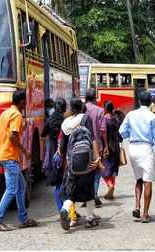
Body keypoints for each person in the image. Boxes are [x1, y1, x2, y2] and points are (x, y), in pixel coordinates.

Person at [0, 89, 39, 231]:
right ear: (22, 102)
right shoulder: (16, 115)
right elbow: (12, 136)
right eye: (26, 102)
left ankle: (24, 219)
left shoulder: (5, 113)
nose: (26, 105)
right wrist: (25, 151)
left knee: (21, 187)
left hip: (4, 155)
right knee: (12, 189)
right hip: (10, 157)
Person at [119, 90, 155, 223]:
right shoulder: (153, 117)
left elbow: (122, 131)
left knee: (138, 179)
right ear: (151, 103)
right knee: (147, 181)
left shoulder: (131, 114)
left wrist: (130, 136)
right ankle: (145, 214)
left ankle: (137, 206)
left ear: (139, 101)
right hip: (145, 148)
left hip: (133, 148)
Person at [58, 97, 102, 230]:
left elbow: (63, 148)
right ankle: (89, 219)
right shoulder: (85, 118)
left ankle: (65, 210)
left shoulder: (65, 123)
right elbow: (92, 138)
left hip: (72, 164)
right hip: (87, 162)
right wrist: (97, 158)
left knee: (70, 191)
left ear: (71, 108)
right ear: (82, 107)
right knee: (88, 190)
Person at [41, 97, 67, 211]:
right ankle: (67, 210)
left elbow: (43, 134)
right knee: (66, 183)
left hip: (53, 155)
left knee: (57, 183)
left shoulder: (50, 119)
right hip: (64, 154)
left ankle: (61, 209)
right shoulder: (66, 120)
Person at [85, 88, 107, 208]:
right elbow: (103, 130)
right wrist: (106, 145)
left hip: (82, 145)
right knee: (97, 171)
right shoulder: (99, 111)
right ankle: (93, 194)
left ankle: (85, 196)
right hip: (97, 145)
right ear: (95, 98)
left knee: (85, 170)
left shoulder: (81, 109)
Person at [101, 101, 124, 200]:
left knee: (104, 168)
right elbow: (120, 134)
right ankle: (111, 192)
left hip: (108, 146)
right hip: (116, 146)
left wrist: (104, 146)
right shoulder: (116, 119)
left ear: (105, 109)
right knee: (114, 169)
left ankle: (110, 185)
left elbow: (103, 134)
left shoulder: (104, 119)